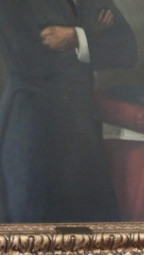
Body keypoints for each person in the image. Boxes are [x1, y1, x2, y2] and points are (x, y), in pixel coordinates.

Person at [0, 0, 136, 223]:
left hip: (82, 129)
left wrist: (78, 37)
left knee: (92, 231)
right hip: (33, 130)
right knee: (32, 231)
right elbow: (26, 60)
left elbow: (128, 50)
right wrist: (94, 35)